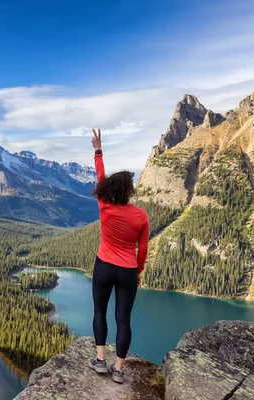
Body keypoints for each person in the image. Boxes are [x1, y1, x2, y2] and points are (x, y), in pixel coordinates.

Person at [87, 128, 149, 384]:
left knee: (99, 311)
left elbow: (100, 176)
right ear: (130, 192)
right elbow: (142, 249)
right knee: (124, 320)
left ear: (113, 189)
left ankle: (101, 361)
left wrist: (98, 150)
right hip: (126, 270)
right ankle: (119, 370)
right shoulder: (141, 216)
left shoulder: (105, 203)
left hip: (103, 265)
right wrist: (138, 272)